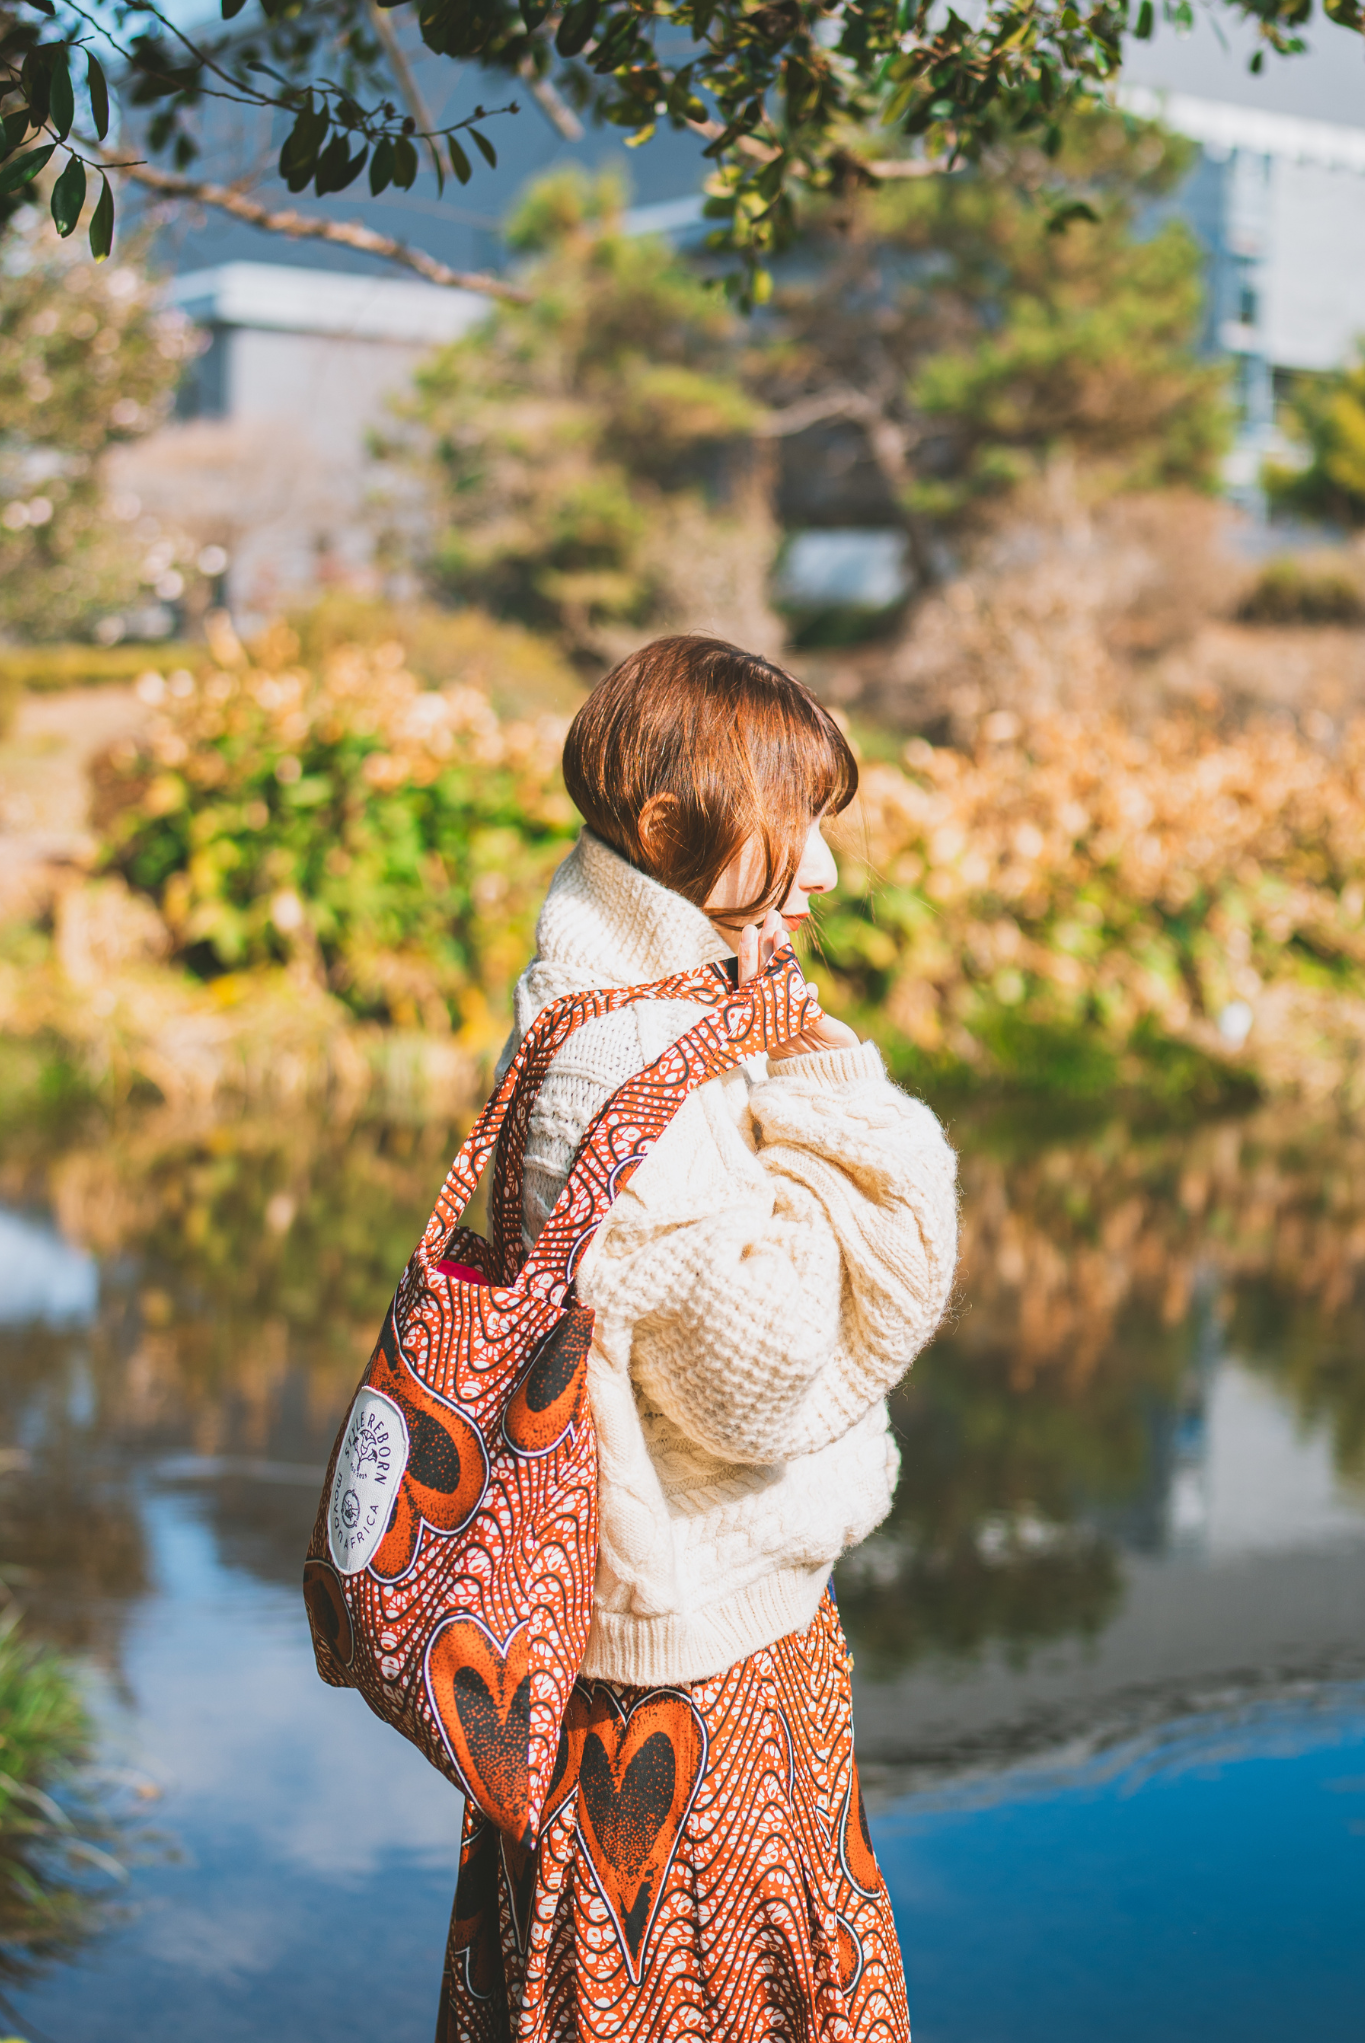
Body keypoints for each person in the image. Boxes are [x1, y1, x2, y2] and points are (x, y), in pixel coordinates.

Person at [445, 634, 958, 2041]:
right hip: (681, 1682)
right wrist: (823, 1073)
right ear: (671, 831)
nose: (828, 873)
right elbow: (773, 1370)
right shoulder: (620, 1066)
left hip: (703, 1634)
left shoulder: (649, 1009)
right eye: (799, 829)